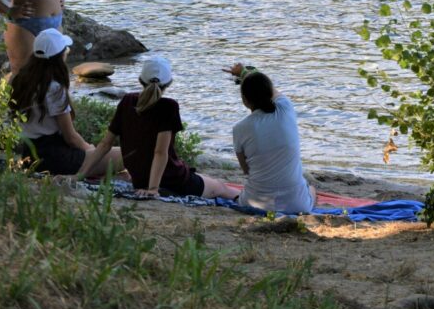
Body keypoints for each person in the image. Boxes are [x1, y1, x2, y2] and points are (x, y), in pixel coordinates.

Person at [77, 57, 239, 199]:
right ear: (168, 83)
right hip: (171, 179)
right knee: (220, 187)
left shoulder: (127, 101)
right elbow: (160, 152)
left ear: (141, 80)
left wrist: (80, 175)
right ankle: (247, 200)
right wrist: (153, 189)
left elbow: (105, 144)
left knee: (201, 177)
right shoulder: (168, 107)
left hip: (140, 179)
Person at [11, 28, 121, 177]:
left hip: (29, 155)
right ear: (60, 56)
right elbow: (71, 138)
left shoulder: (20, 81)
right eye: (66, 50)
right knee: (125, 154)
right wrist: (91, 150)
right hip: (56, 159)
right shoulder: (54, 88)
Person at [226, 63, 316, 213]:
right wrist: (243, 72)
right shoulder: (286, 108)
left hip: (254, 203)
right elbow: (271, 89)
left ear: (244, 100)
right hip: (297, 205)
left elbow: (247, 170)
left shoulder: (239, 129)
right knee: (311, 188)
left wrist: (242, 75)